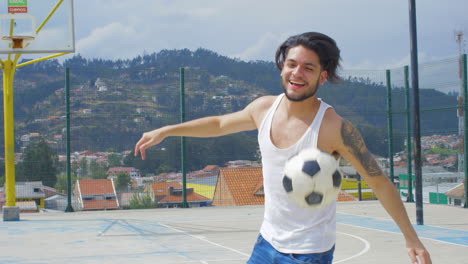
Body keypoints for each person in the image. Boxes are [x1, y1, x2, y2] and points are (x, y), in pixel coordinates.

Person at [134, 32, 432, 264]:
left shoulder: (333, 128)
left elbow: (378, 181)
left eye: (308, 67)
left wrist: (411, 238)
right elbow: (220, 124)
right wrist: (166, 130)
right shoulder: (264, 108)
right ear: (282, 68)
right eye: (292, 64)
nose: (297, 73)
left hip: (310, 252)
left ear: (322, 76)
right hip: (267, 242)